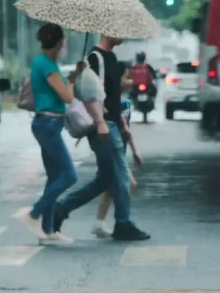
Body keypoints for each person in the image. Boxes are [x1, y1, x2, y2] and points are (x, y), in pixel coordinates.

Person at [52, 35, 150, 241]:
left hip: (114, 123)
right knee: (122, 174)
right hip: (103, 126)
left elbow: (113, 98)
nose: (122, 33)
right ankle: (123, 223)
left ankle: (61, 208)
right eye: (117, 29)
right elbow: (88, 95)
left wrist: (123, 124)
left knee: (105, 179)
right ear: (106, 30)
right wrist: (101, 122)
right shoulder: (94, 59)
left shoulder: (113, 59)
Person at [15, 23, 82, 244]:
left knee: (55, 177)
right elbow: (67, 97)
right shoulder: (47, 65)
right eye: (63, 40)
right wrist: (69, 85)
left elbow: (64, 90)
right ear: (57, 42)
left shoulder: (46, 62)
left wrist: (72, 77)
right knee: (69, 175)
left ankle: (48, 231)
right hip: (48, 125)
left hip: (48, 124)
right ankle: (33, 214)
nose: (64, 44)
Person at [92, 63, 143, 237]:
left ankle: (102, 222)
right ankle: (121, 220)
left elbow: (127, 131)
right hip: (112, 148)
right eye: (126, 77)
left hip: (121, 149)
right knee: (126, 184)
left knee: (112, 185)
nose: (130, 81)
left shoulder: (126, 103)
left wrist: (135, 151)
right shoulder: (109, 103)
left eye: (130, 77)